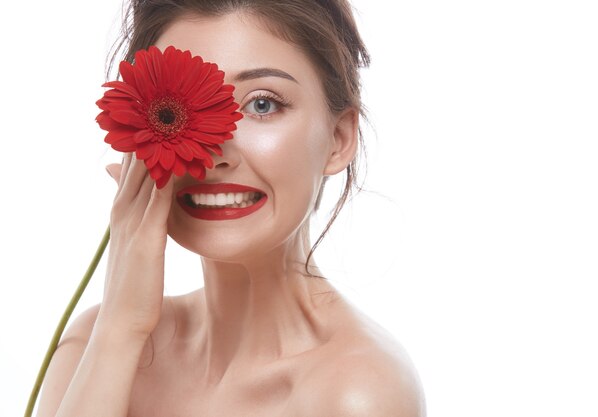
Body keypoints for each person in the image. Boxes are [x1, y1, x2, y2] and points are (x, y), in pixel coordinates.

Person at [35, 1, 426, 416]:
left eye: (262, 104)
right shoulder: (93, 346)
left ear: (339, 138)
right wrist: (118, 330)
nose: (213, 152)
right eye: (179, 110)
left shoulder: (355, 392)